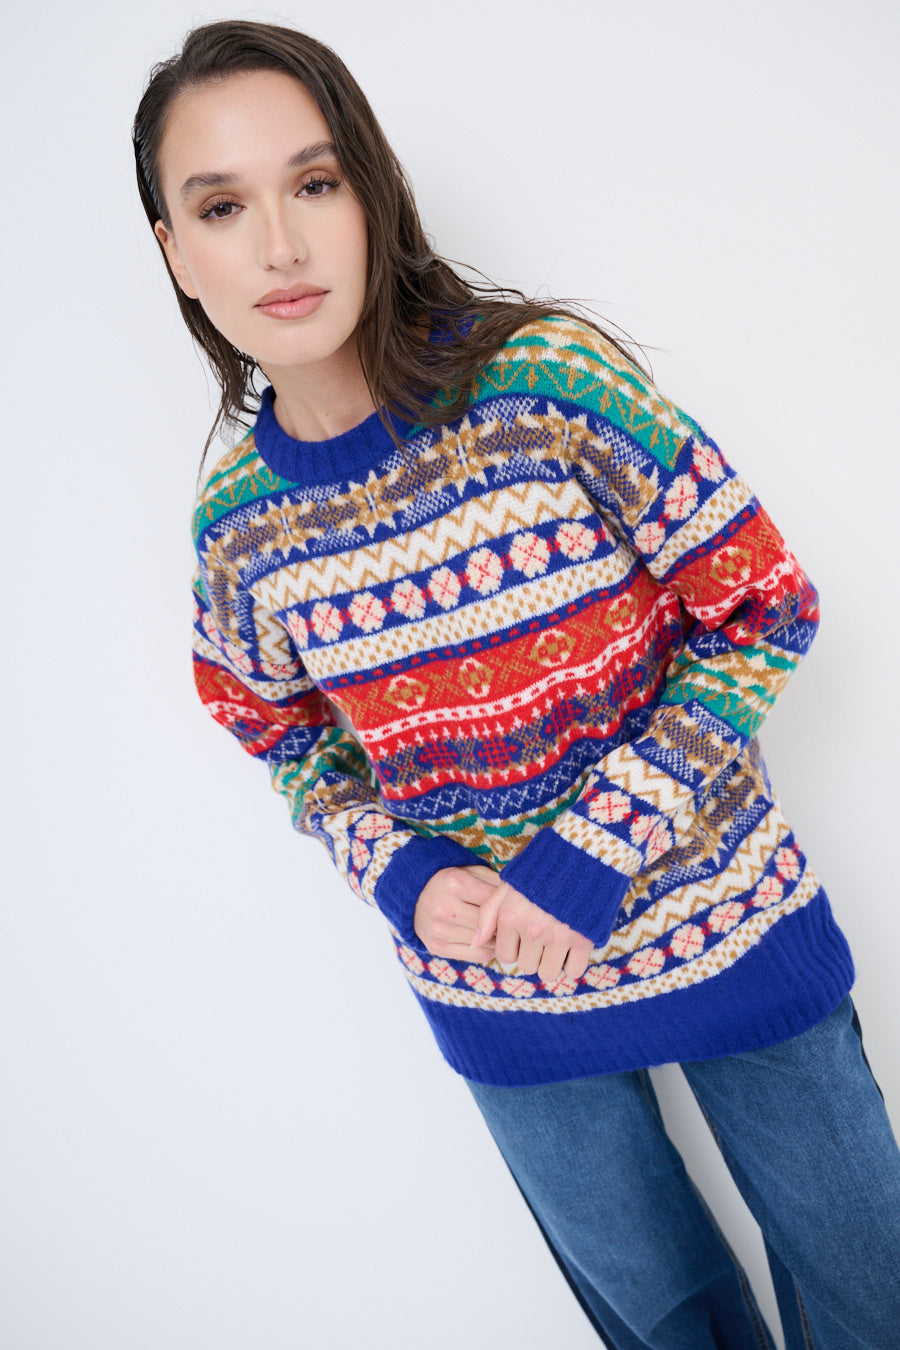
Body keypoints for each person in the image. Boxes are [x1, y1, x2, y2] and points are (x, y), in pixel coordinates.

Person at [133, 20, 900, 1349]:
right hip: (495, 993)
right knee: (663, 1324)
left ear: (373, 193)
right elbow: (275, 728)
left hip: (727, 924)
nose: (281, 245)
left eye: (315, 182)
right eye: (222, 206)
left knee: (871, 1294)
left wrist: (599, 845)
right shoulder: (237, 524)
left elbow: (763, 603)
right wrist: (395, 867)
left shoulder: (542, 382)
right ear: (174, 252)